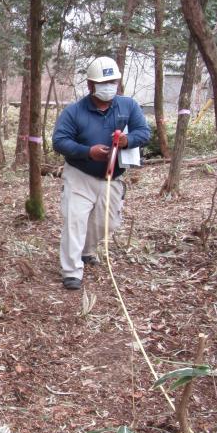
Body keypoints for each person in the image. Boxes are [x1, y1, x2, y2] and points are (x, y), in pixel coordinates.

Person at [52, 56, 150, 290]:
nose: (109, 87)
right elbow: (59, 141)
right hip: (80, 175)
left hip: (112, 178)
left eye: (113, 82)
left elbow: (144, 132)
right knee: (74, 221)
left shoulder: (128, 106)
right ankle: (72, 271)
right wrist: (88, 152)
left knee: (107, 222)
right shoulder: (74, 112)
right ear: (90, 85)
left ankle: (87, 250)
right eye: (103, 82)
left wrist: (128, 140)